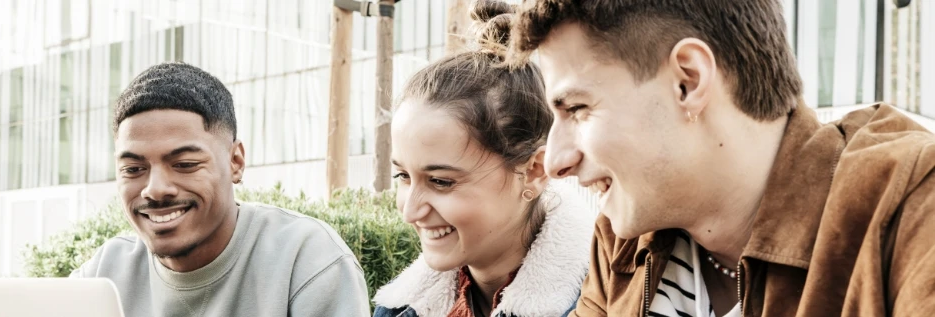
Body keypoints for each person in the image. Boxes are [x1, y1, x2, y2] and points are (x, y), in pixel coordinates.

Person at [504, 0, 935, 316]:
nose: (556, 160)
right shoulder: (622, 244)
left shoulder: (910, 208)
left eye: (577, 109)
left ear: (688, 82)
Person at [70, 62, 370, 317]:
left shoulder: (306, 258)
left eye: (185, 164)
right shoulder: (103, 272)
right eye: (134, 169)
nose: (156, 189)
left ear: (235, 161)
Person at [372, 3, 596, 317]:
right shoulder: (396, 309)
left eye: (440, 181)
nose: (410, 211)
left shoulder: (616, 301)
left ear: (533, 171)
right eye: (403, 177)